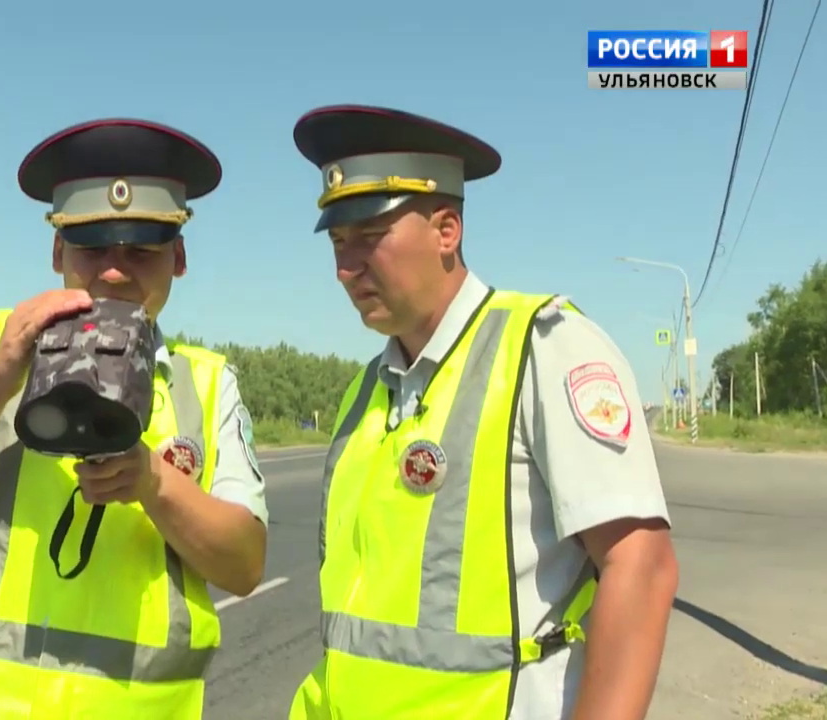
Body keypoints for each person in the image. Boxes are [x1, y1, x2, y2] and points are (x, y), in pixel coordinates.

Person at [0, 117, 269, 719]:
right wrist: (1, 381)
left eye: (141, 248)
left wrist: (155, 485)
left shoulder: (204, 384)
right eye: (92, 245)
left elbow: (244, 565)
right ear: (57, 250)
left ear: (178, 257)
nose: (113, 269)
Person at [286, 105, 679, 720]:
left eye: (369, 238)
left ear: (447, 231)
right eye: (338, 243)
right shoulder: (364, 391)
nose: (346, 268)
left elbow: (642, 566)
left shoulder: (544, 347)